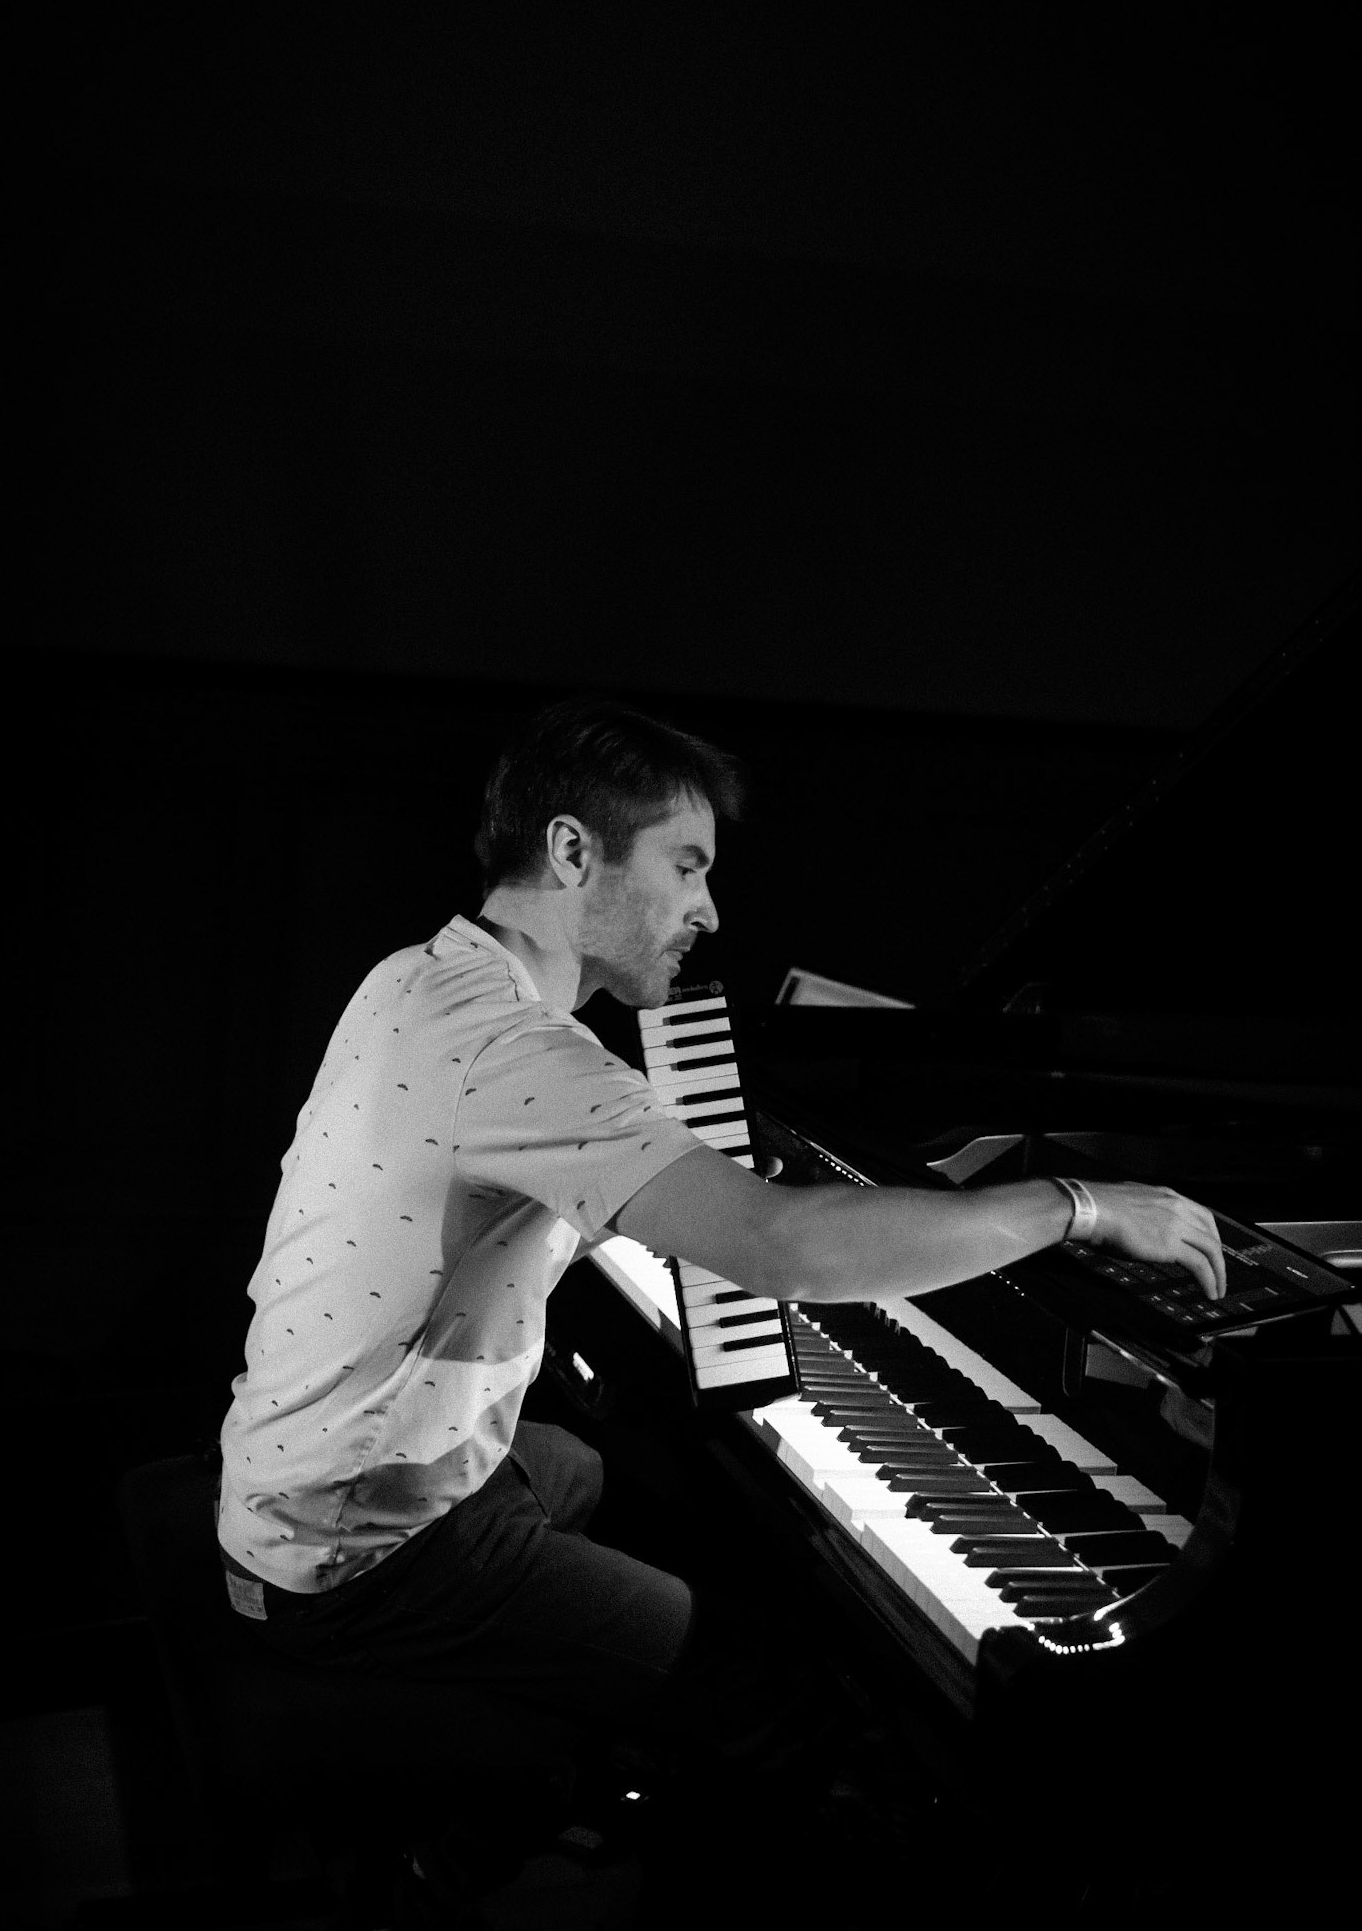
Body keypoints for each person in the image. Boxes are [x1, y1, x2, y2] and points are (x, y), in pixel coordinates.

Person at [217, 696, 1225, 1914]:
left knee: (605, 1475)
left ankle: (599, 1733)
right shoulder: (520, 1052)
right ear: (574, 850)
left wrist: (694, 1195)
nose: (710, 910)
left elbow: (544, 1202)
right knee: (775, 1672)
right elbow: (784, 1248)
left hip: (293, 1475)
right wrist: (1072, 1204)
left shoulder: (422, 980)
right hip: (358, 1552)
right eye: (686, 865)